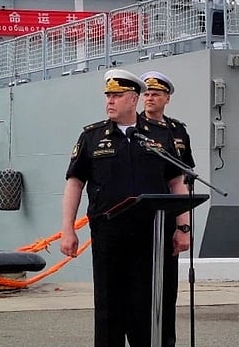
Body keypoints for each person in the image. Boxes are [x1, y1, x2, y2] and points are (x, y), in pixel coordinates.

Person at [60, 69, 189, 347]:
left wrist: (183, 227)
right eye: (108, 96)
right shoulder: (91, 137)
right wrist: (67, 229)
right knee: (109, 307)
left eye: (117, 96)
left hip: (152, 236)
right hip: (110, 236)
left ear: (133, 99)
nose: (110, 101)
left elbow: (178, 183)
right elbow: (74, 184)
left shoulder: (159, 136)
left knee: (149, 306)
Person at [140, 71, 195, 169]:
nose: (149, 98)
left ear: (167, 99)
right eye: (146, 95)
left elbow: (187, 167)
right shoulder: (135, 127)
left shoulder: (178, 129)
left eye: (155, 95)